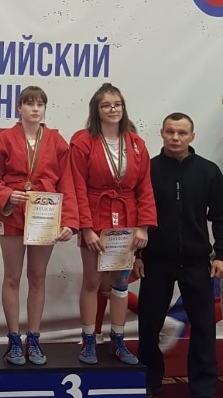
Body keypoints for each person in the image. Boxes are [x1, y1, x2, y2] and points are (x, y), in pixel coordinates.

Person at [0, 86, 78, 365]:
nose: (35, 109)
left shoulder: (57, 141)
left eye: (40, 104)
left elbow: (67, 182)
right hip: (13, 214)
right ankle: (14, 339)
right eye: (29, 103)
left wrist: (70, 221)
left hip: (44, 215)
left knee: (37, 277)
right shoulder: (3, 140)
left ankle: (33, 339)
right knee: (12, 277)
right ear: (19, 108)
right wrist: (6, 195)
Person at [135, 113, 223, 398]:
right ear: (162, 133)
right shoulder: (147, 171)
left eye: (181, 133)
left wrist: (221, 254)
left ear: (192, 136)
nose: (175, 138)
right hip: (155, 261)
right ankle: (149, 382)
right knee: (149, 325)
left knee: (203, 327)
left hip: (196, 262)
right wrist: (136, 255)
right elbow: (136, 216)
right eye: (170, 132)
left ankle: (203, 388)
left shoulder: (208, 171)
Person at [69, 83, 157, 365]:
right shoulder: (83, 142)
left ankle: (118, 339)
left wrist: (143, 226)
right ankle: (89, 339)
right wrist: (86, 228)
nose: (112, 109)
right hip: (96, 216)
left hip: (127, 218)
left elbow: (144, 187)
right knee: (92, 281)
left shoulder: (136, 144)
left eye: (117, 104)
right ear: (96, 110)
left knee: (120, 283)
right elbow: (77, 187)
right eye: (106, 105)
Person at [94, 119, 138, 342]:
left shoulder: (137, 156)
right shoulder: (96, 155)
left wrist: (140, 253)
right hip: (101, 222)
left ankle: (117, 337)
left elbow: (143, 197)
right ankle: (94, 333)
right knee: (99, 282)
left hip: (127, 227)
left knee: (120, 283)